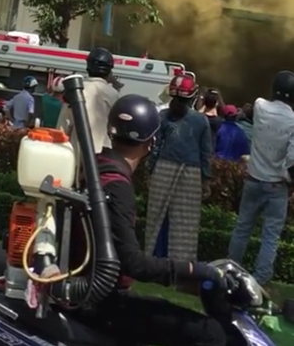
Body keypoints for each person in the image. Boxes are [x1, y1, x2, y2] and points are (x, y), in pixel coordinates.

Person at [90, 94, 225, 346]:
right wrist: (194, 269)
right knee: (211, 333)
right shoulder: (118, 186)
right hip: (107, 304)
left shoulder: (94, 168)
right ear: (151, 142)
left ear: (111, 132)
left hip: (91, 295)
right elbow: (135, 264)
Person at [228, 70, 294, 288]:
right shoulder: (293, 120)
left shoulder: (260, 106)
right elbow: (292, 159)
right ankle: (260, 279)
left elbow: (247, 111)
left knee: (242, 228)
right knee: (270, 236)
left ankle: (231, 270)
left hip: (253, 180)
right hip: (277, 185)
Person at [145, 71, 212, 260]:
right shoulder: (201, 120)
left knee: (157, 217)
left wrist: (150, 170)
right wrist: (206, 180)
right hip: (191, 175)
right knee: (185, 223)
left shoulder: (162, 116)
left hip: (163, 170)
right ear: (192, 97)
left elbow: (155, 147)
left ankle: (154, 258)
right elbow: (206, 153)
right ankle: (180, 262)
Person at [58, 47, 119, 152]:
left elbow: (62, 127)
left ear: (88, 67)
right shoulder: (113, 94)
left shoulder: (76, 90)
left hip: (76, 153)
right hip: (104, 156)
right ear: (109, 70)